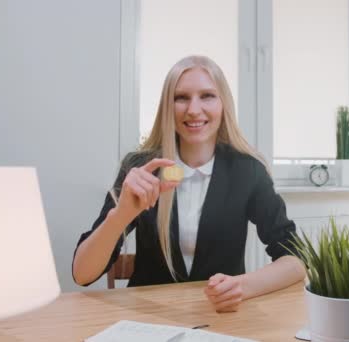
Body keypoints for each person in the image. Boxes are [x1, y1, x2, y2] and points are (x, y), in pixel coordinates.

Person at [72, 55, 305, 312]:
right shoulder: (140, 168)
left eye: (207, 96)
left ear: (223, 104)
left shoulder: (247, 170)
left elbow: (295, 259)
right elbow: (83, 274)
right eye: (181, 97)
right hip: (149, 319)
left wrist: (244, 286)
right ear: (167, 106)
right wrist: (120, 216)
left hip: (221, 319)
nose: (194, 109)